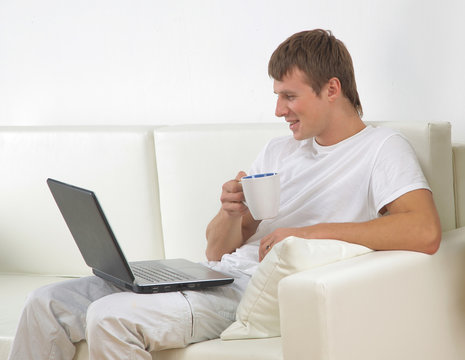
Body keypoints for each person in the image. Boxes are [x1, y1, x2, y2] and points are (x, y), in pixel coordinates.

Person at [8, 29, 441, 360]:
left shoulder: (381, 149)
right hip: (216, 275)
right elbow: (217, 251)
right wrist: (230, 212)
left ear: (332, 88)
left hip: (253, 293)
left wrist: (306, 235)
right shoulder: (280, 148)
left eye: (290, 96)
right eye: (277, 96)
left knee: (109, 316)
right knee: (45, 301)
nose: (278, 110)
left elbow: (423, 231)